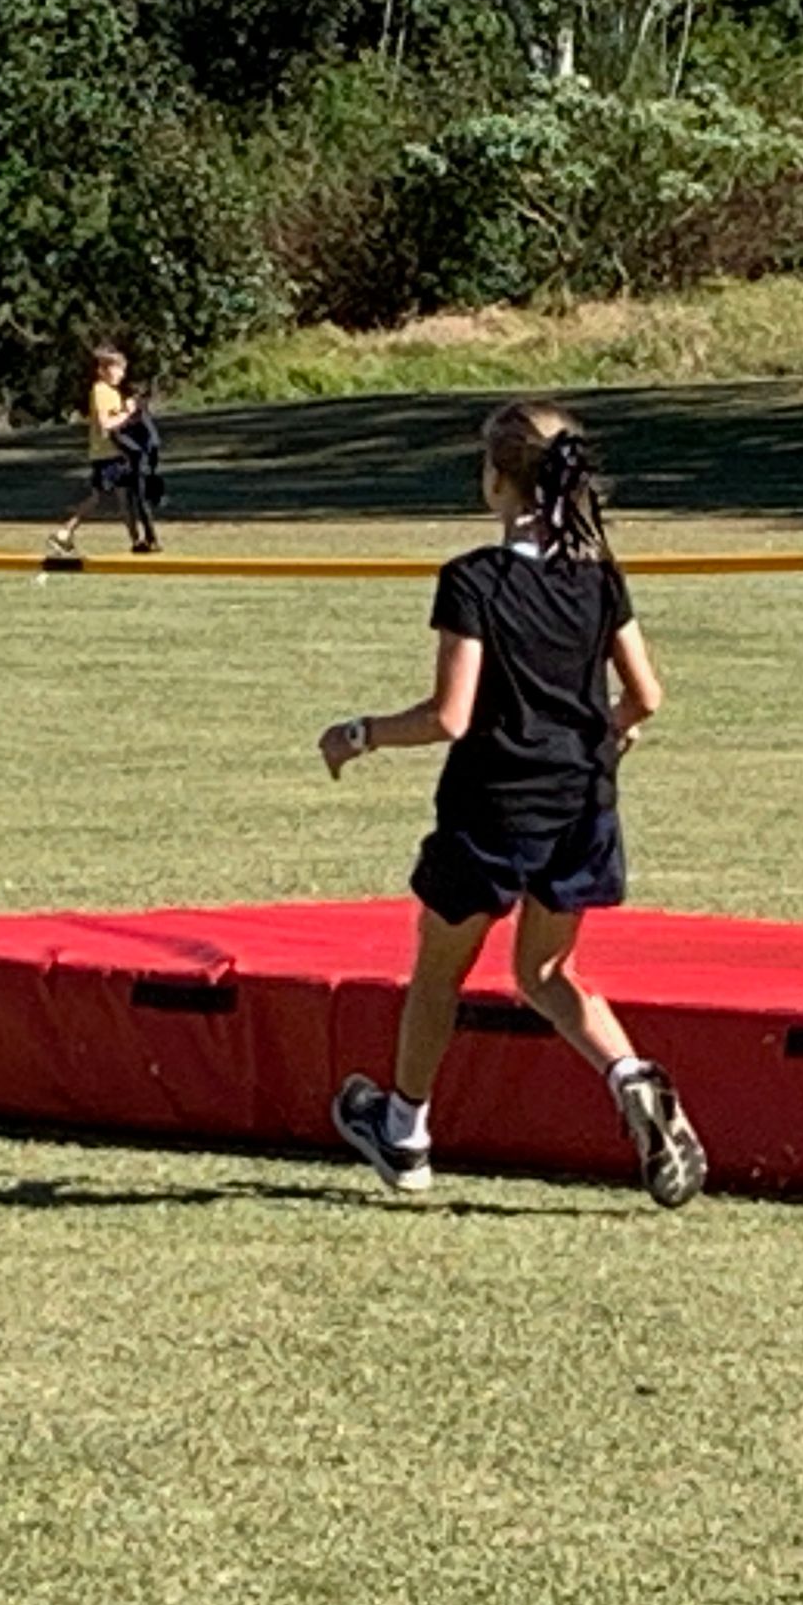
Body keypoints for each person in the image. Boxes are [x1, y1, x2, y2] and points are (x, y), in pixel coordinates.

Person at [317, 400, 707, 1208]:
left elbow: (450, 716)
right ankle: (630, 1074)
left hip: (494, 807)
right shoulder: (597, 574)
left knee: (438, 971)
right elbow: (646, 696)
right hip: (582, 801)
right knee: (546, 970)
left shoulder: (475, 579)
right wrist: (608, 734)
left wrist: (359, 734)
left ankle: (404, 1132)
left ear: (498, 480)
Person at [47, 346, 163, 555]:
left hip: (116, 454)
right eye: (118, 369)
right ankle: (64, 533)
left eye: (123, 370)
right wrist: (127, 413)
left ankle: (137, 541)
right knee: (97, 498)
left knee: (123, 499)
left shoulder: (112, 393)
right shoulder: (101, 391)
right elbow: (105, 424)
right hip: (105, 454)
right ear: (103, 370)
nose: (121, 374)